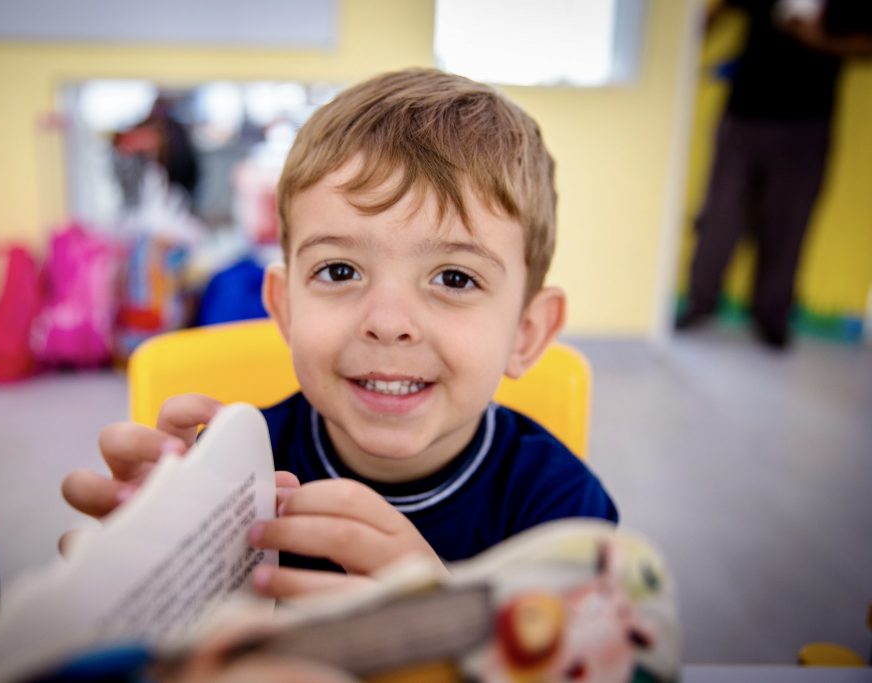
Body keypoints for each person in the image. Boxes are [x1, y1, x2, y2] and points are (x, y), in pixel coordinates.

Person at [62, 68, 617, 599]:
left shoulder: (563, 514)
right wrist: (146, 578)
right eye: (340, 271)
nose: (388, 322)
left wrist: (445, 632)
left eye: (455, 278)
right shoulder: (229, 480)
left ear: (525, 334)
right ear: (285, 308)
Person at [677, 0, 872, 349]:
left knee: (788, 224)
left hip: (806, 125)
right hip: (742, 116)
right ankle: (699, 302)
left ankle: (771, 315)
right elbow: (716, 15)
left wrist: (818, 40)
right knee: (720, 217)